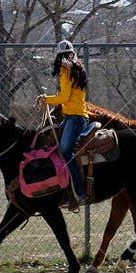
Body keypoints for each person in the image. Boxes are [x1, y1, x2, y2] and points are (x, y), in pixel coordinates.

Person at [39, 40, 92, 204]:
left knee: (65, 152)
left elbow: (64, 98)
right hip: (80, 115)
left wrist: (46, 99)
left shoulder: (66, 71)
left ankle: (79, 192)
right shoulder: (78, 69)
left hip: (74, 117)